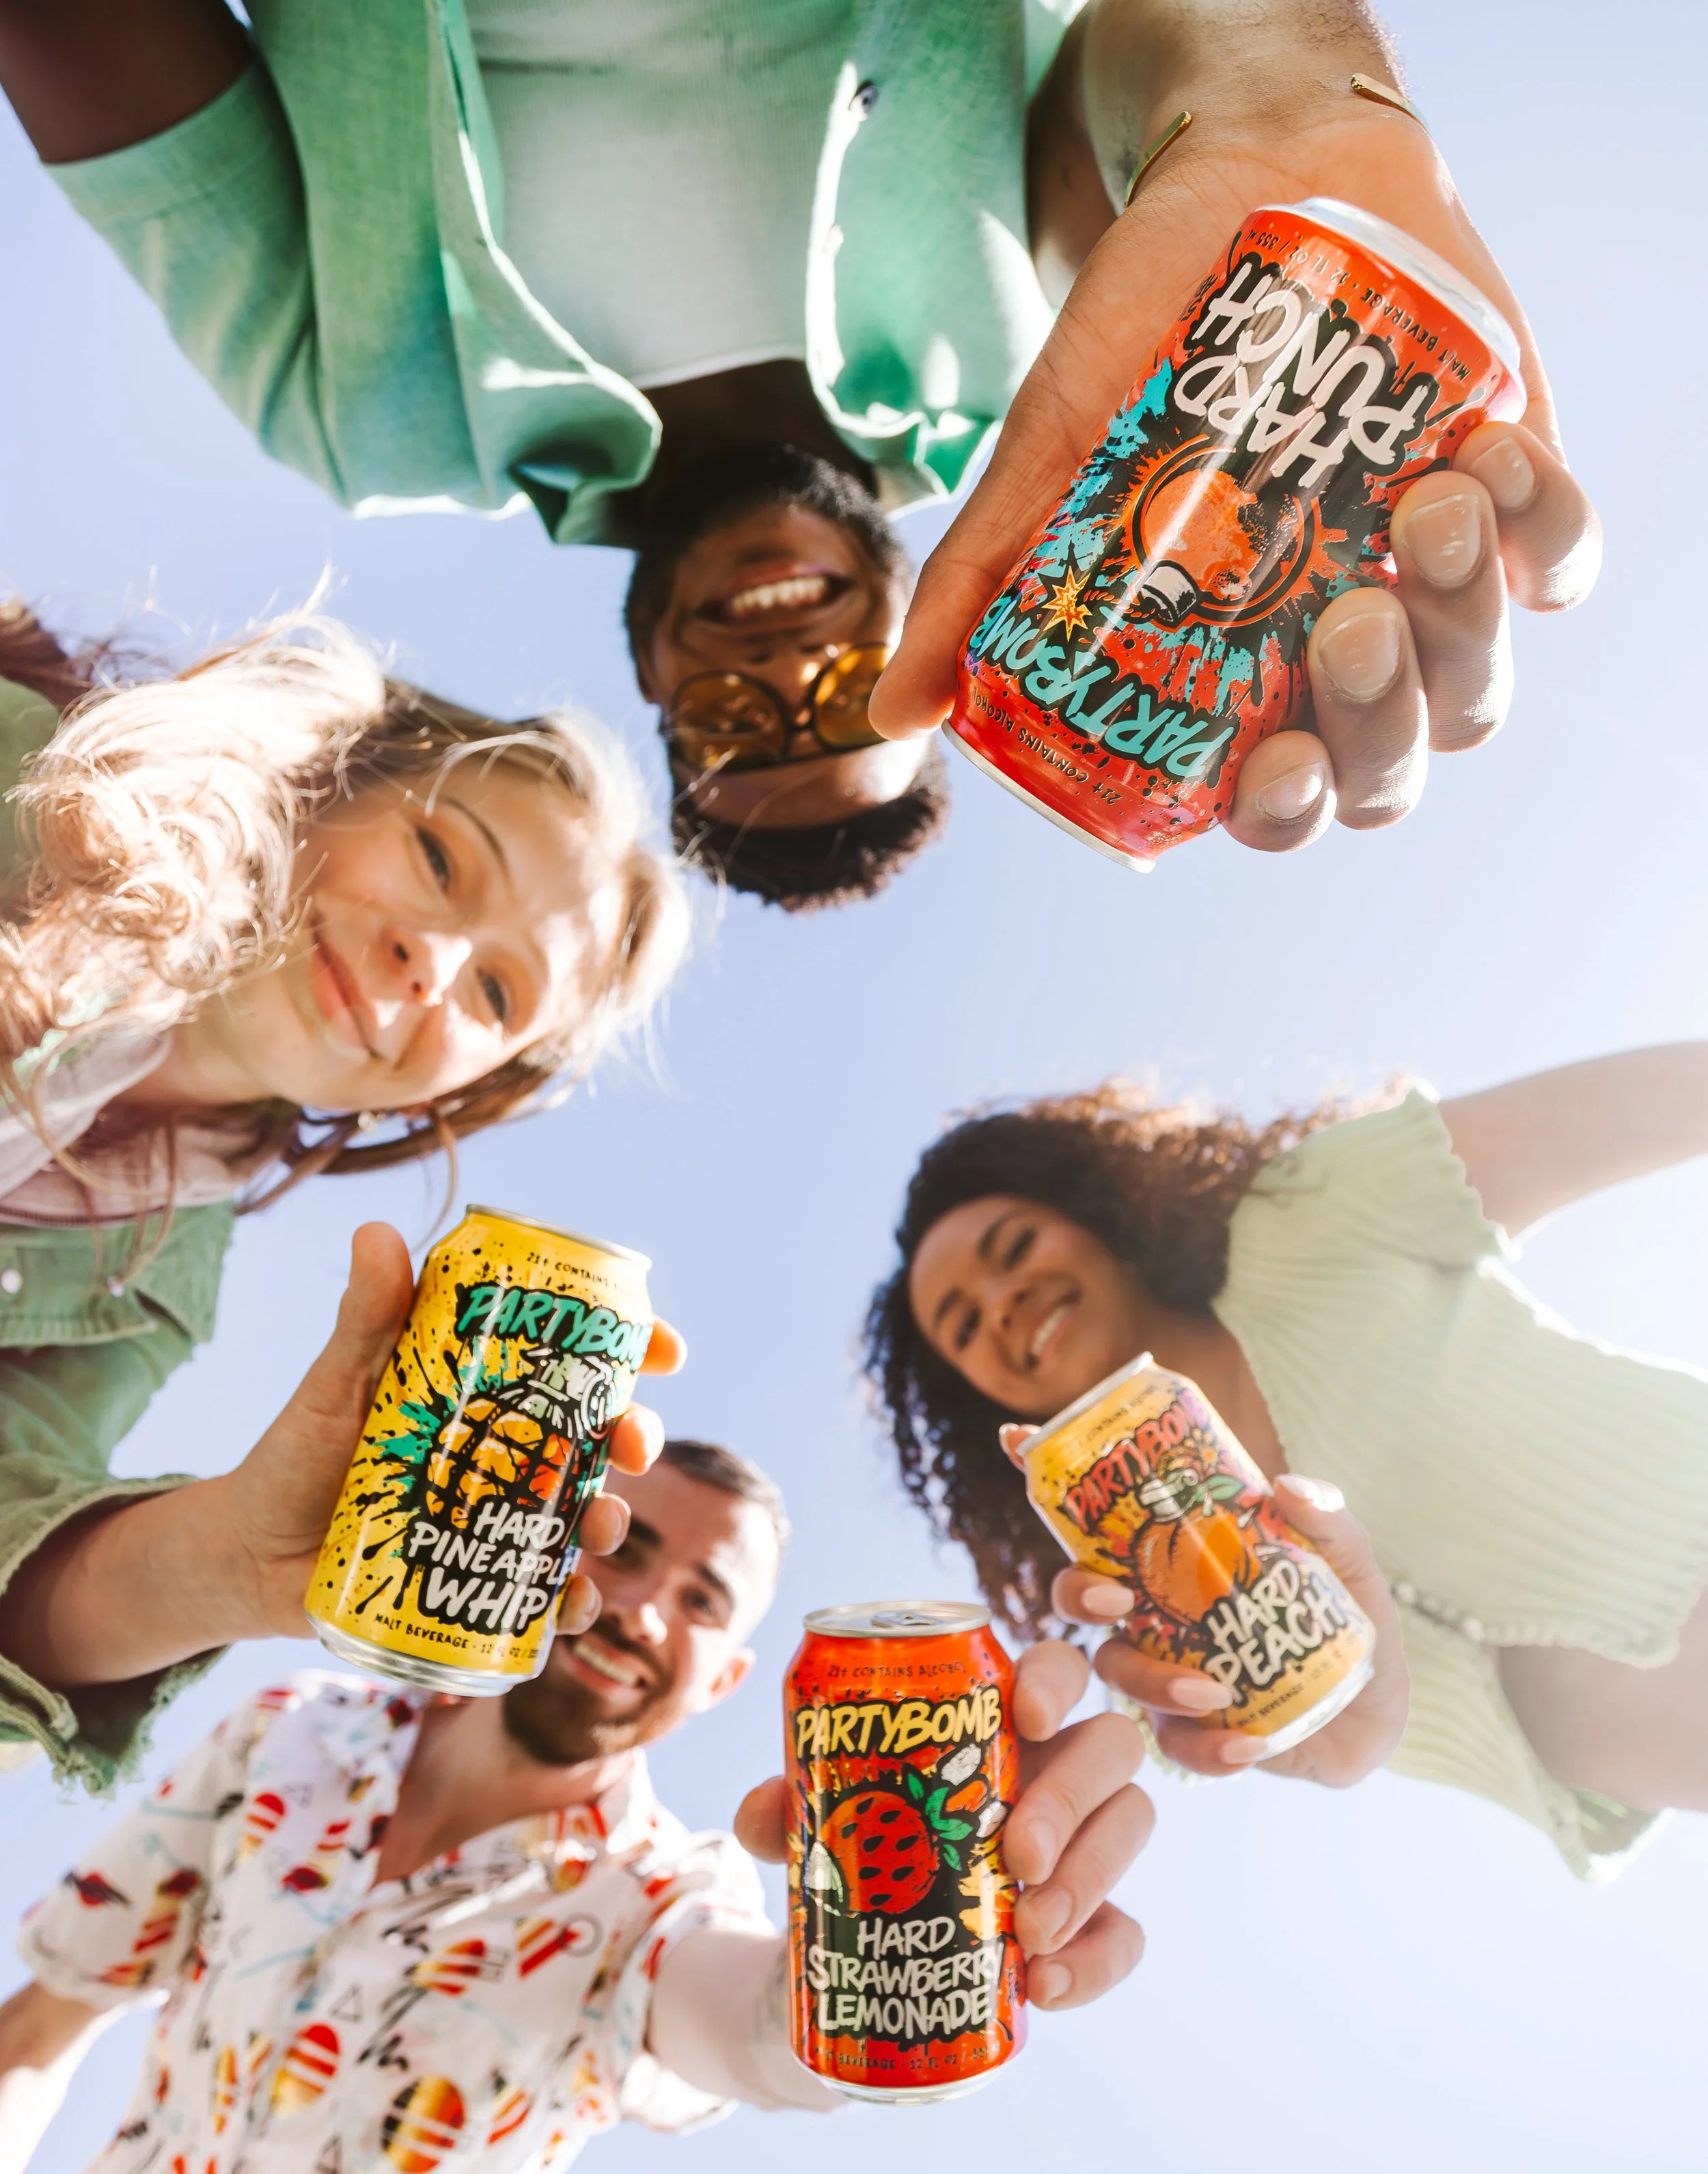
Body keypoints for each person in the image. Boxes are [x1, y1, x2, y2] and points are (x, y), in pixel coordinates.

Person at [0, 1, 1602, 910]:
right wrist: (1289, 90)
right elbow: (1146, 77)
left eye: (727, 727)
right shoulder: (1063, 356)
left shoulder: (363, 410)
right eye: (849, 701)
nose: (780, 669)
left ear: (649, 678)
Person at [0, 1437, 1151, 2171]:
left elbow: (762, 2026)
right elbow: (39, 2033)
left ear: (728, 1681)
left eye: (702, 1600)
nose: (643, 1611)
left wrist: (938, 1929)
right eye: (627, 1549)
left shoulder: (657, 1897)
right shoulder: (293, 1728)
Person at [0, 601, 687, 1789]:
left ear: (461, 1092)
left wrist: (230, 1562)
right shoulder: (26, 767)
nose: (436, 961)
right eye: (440, 858)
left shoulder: (159, 1280)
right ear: (338, 777)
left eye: (498, 996)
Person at [863, 1047, 1708, 1880]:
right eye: (963, 1325)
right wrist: (1317, 1740)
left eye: (1015, 1247)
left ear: (1095, 1216)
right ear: (981, 1399)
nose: (1000, 1302)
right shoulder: (1146, 1622)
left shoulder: (1309, 1218)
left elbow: (1656, 1099)